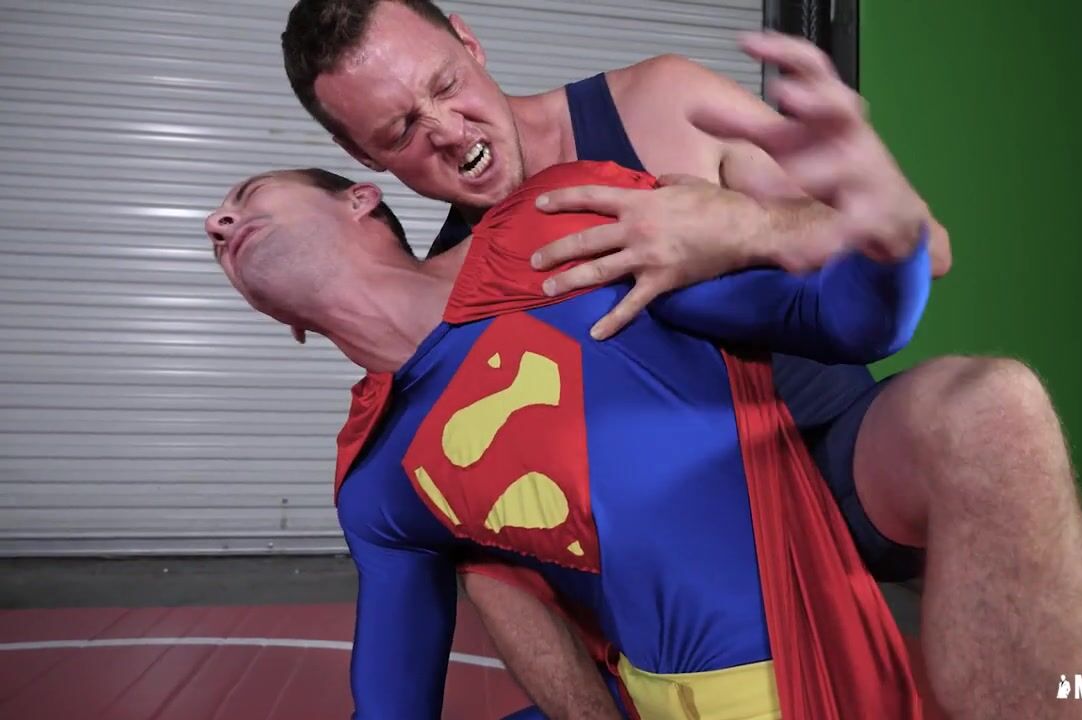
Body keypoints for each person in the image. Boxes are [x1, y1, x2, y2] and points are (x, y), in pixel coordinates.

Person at [280, 1, 1082, 717]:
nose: (448, 130)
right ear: (367, 160)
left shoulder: (656, 106)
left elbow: (928, 246)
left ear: (469, 41)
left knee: (994, 405)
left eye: (445, 84)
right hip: (679, 565)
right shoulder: (450, 289)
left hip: (834, 454)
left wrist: (744, 227)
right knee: (485, 556)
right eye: (401, 130)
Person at [203, 158, 934, 719]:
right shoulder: (374, 476)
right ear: (287, 325)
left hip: (809, 678)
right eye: (218, 237)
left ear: (360, 198)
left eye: (248, 193)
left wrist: (882, 228)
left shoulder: (553, 235)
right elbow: (392, 703)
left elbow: (844, 321)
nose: (217, 223)